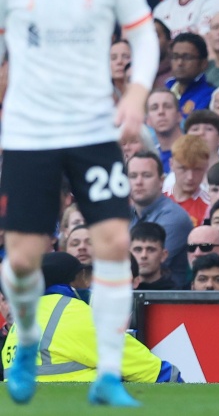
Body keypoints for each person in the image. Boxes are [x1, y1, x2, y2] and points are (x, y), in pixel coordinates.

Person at [0, 0, 159, 406]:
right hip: (30, 131)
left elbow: (142, 35)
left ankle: (109, 373)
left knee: (112, 243)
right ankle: (26, 341)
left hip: (92, 127)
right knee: (22, 258)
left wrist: (135, 95)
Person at [0, 252, 182, 383]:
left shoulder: (22, 321)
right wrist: (176, 381)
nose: (89, 284)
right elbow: (148, 369)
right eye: (85, 277)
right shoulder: (74, 313)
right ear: (74, 279)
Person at [127, 151, 193, 286]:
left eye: (146, 175)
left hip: (166, 295)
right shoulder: (125, 214)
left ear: (161, 181)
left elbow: (142, 265)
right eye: (133, 176)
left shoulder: (174, 217)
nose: (138, 182)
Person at [166, 33, 216, 119]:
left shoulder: (210, 95)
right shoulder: (165, 89)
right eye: (175, 57)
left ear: (203, 63)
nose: (180, 63)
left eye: (187, 57)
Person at [146, 88, 183, 173]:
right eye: (154, 108)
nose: (161, 112)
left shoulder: (196, 150)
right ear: (148, 120)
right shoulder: (149, 160)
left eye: (167, 107)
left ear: (179, 115)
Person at [130, 222, 176, 290]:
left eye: (151, 250)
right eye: (138, 250)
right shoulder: (118, 290)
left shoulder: (175, 294)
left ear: (163, 255)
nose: (143, 255)